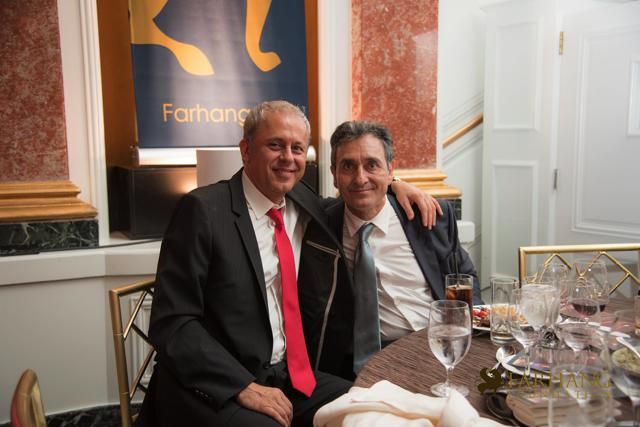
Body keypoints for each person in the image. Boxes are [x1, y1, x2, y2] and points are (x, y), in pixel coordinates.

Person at [138, 101, 440, 427]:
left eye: (297, 148)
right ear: (246, 150)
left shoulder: (303, 203)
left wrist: (394, 184)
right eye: (275, 145)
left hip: (289, 377)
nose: (288, 158)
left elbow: (359, 191)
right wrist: (241, 386)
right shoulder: (203, 210)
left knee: (376, 408)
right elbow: (173, 323)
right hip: (219, 385)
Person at [303, 120, 482, 378]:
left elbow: (466, 283)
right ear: (334, 175)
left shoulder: (429, 218)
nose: (360, 178)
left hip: (438, 349)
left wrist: (471, 343)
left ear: (390, 170)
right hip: (362, 365)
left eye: (372, 165)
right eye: (348, 166)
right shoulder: (319, 224)